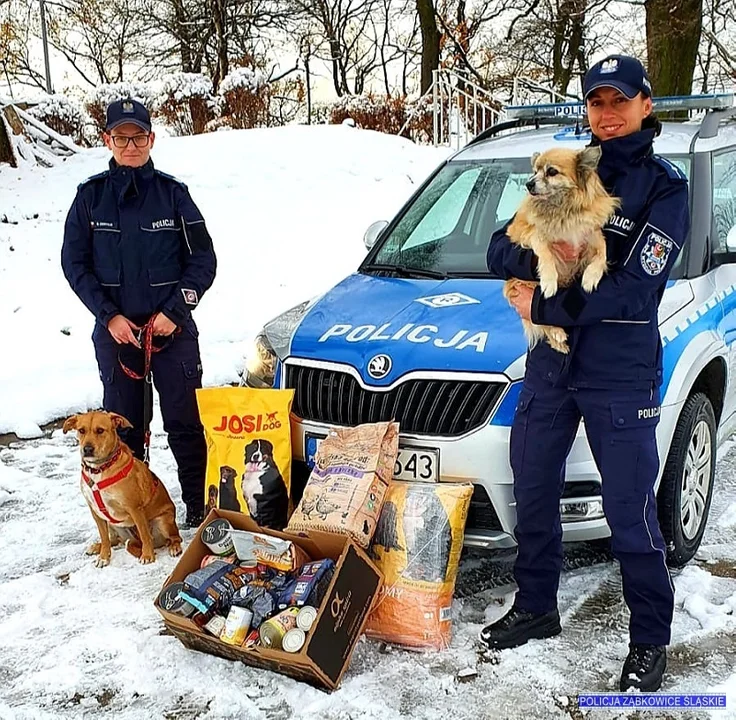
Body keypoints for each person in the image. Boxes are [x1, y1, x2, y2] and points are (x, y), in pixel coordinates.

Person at [481, 55, 690, 693]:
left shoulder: (664, 187)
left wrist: (542, 303)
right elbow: (500, 246)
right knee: (534, 490)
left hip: (619, 368)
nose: (606, 113)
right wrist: (539, 259)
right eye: (596, 102)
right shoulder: (564, 169)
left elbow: (634, 287)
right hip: (551, 363)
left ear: (645, 105)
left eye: (619, 101)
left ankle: (650, 640)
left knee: (630, 510)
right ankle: (537, 606)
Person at [61, 98, 216, 528]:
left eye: (139, 137)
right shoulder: (89, 199)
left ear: (152, 139)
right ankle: (134, 516)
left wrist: (174, 311)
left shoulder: (174, 196)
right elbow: (75, 264)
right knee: (123, 433)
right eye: (122, 137)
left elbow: (203, 261)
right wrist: (108, 316)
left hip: (172, 332)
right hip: (116, 336)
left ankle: (198, 510)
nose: (131, 145)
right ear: (107, 139)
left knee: (186, 425)